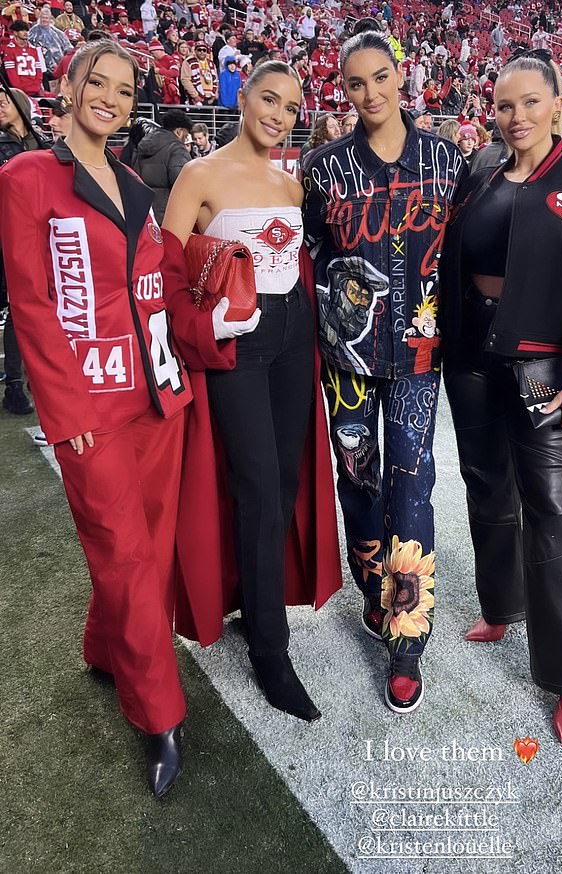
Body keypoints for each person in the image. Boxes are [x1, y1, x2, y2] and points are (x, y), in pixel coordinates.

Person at [0, 40, 240, 797]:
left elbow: (160, 290)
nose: (108, 96)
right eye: (94, 82)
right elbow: (33, 306)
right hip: (90, 410)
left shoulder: (137, 181)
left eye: (122, 87)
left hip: (158, 401)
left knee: (147, 550)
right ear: (67, 89)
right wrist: (65, 414)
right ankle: (161, 716)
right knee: (127, 557)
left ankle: (106, 650)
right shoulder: (26, 178)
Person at [439, 49, 562, 744]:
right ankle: (501, 606)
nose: (514, 116)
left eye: (528, 102)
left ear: (556, 100)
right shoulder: (480, 169)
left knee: (551, 508)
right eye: (503, 104)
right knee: (485, 487)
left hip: (546, 368)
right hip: (472, 357)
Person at [162, 60, 341, 722]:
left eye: (292, 106)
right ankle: (271, 649)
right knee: (258, 486)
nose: (279, 114)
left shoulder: (290, 182)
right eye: (269, 98)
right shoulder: (198, 174)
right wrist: (205, 325)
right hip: (239, 343)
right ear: (243, 99)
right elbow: (165, 274)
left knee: (283, 486)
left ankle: (255, 605)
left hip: (295, 337)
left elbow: (301, 261)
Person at [303, 30, 466, 714]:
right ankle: (373, 592)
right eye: (355, 84)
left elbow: (462, 252)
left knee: (414, 484)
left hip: (419, 358)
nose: (370, 94)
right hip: (347, 359)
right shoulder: (324, 168)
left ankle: (407, 634)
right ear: (345, 90)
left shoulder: (447, 160)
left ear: (401, 78)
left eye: (380, 78)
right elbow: (308, 256)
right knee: (358, 481)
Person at [0, 87, 50, 416]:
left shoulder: (42, 143)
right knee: (15, 310)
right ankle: (15, 383)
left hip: (36, 240)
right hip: (5, 237)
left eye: (3, 102)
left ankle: (23, 383)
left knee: (27, 310)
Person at [133, 107, 192, 223]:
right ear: (179, 131)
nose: (185, 139)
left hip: (143, 214)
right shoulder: (177, 149)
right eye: (185, 135)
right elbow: (185, 187)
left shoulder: (142, 146)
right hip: (168, 218)